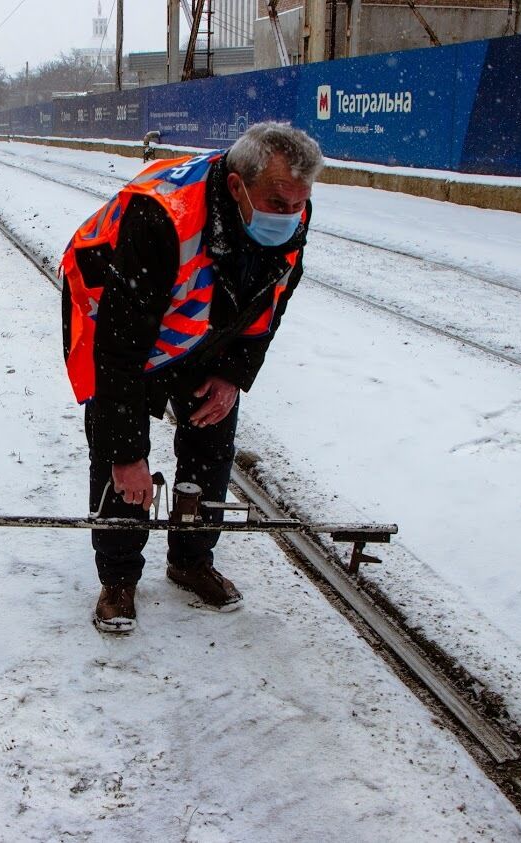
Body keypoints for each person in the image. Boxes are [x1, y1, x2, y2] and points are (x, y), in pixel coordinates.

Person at [61, 121, 323, 633]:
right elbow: (117, 351)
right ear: (236, 186)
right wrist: (128, 454)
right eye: (278, 203)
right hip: (114, 321)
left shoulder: (289, 208)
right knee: (121, 466)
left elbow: (272, 299)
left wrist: (232, 373)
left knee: (211, 436)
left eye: (299, 204)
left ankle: (190, 558)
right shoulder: (160, 216)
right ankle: (118, 579)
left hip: (205, 322)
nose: (291, 216)